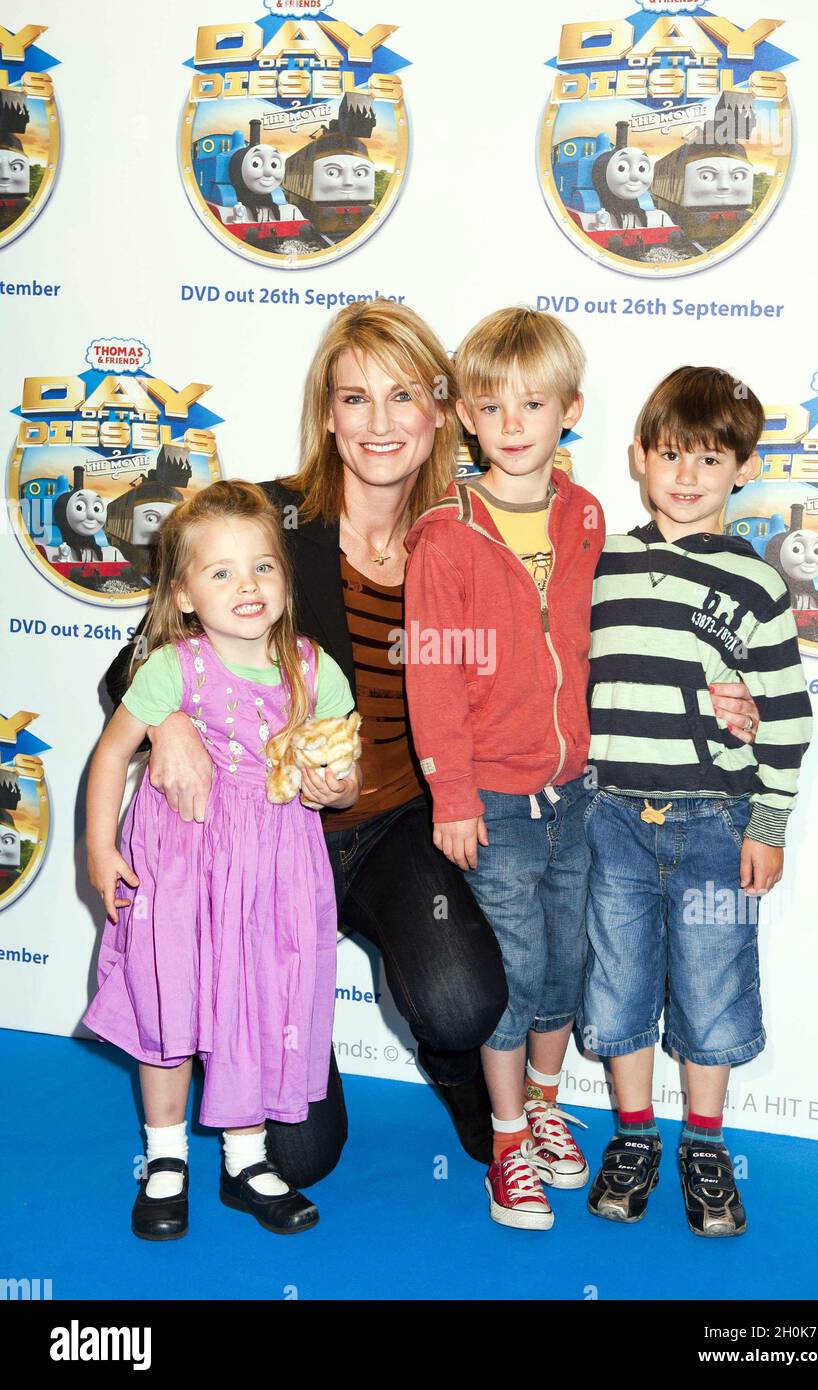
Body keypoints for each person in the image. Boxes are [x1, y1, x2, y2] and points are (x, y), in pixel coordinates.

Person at [103, 301, 511, 1179]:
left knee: (457, 1002)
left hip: (396, 824)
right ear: (327, 414)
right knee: (299, 1156)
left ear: (439, 410)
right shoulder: (272, 521)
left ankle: (462, 1080)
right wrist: (169, 725)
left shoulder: (464, 536)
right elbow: (136, 662)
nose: (378, 423)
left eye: (402, 396)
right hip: (266, 847)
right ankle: (251, 1039)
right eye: (353, 399)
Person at [84, 480, 360, 1239]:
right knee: (173, 1003)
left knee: (260, 1002)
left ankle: (246, 1158)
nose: (247, 586)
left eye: (262, 568)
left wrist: (333, 786)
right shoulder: (177, 666)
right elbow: (112, 757)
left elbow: (344, 778)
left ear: (284, 577)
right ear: (181, 596)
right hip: (181, 868)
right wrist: (99, 849)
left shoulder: (315, 669)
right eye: (221, 572)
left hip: (275, 875)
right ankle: (165, 1156)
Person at [582, 366, 813, 1237]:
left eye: (709, 460)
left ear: (742, 470)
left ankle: (705, 1144)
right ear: (638, 459)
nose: (686, 476)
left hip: (715, 824)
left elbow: (787, 716)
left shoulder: (755, 583)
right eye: (670, 455)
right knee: (618, 985)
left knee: (712, 987)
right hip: (609, 819)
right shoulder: (601, 566)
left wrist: (767, 820)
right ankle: (634, 1135)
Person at [404, 307, 606, 1230]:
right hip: (492, 795)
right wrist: (451, 793)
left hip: (581, 791)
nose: (515, 422)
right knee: (513, 972)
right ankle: (507, 1135)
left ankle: (551, 1102)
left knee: (568, 963)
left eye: (535, 403)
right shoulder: (445, 535)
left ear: (569, 410)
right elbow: (432, 675)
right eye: (494, 405)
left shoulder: (586, 514)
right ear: (466, 420)